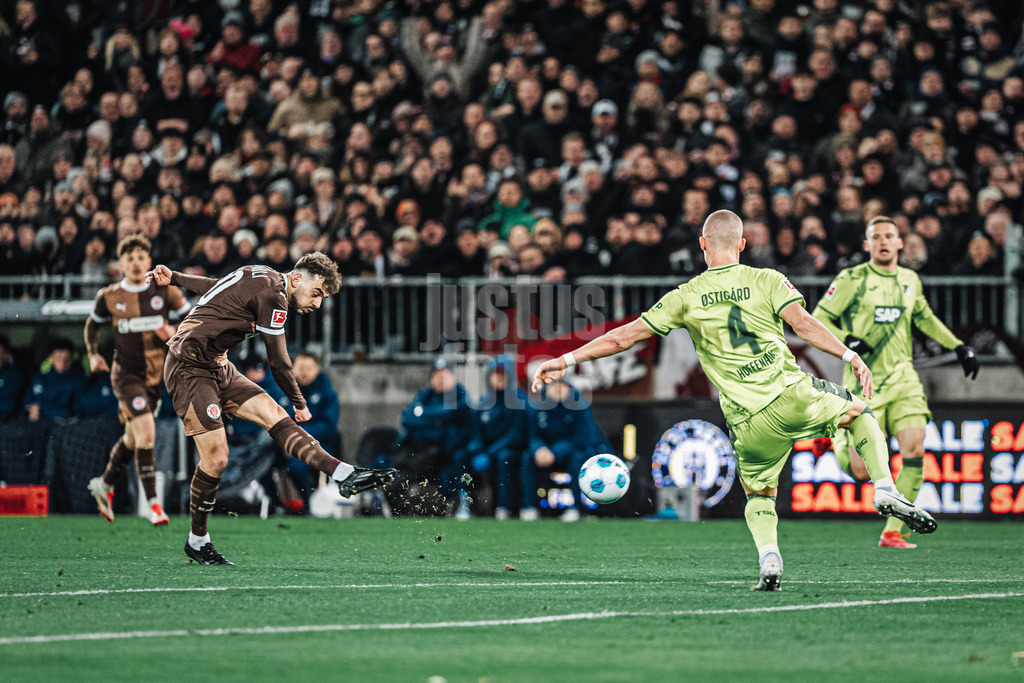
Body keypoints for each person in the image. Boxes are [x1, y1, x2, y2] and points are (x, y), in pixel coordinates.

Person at [533, 210, 937, 591]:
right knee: (859, 412)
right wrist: (849, 356)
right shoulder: (768, 280)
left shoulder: (686, 295)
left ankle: (770, 558)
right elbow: (805, 324)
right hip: (791, 394)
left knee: (759, 495)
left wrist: (565, 359)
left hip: (746, 420)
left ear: (702, 245)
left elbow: (624, 336)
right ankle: (884, 486)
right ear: (742, 244)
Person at [147, 253, 396, 565]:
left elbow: (216, 286)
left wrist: (176, 278)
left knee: (273, 415)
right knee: (217, 457)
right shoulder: (275, 296)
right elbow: (278, 360)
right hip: (189, 367)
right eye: (316, 293)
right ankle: (198, 540)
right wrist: (299, 402)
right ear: (296, 278)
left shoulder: (261, 273)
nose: (317, 304)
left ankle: (342, 472)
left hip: (218, 364)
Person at [811, 216, 979, 549]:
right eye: (877, 237)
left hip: (904, 379)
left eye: (890, 236)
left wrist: (958, 347)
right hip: (864, 381)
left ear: (900, 243)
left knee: (915, 449)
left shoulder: (909, 280)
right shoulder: (852, 279)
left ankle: (892, 531)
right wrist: (848, 341)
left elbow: (925, 318)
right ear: (867, 245)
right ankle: (841, 445)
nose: (884, 242)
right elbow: (818, 317)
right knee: (860, 472)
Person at [85, 235, 190, 526]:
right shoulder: (109, 295)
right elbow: (92, 325)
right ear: (120, 264)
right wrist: (93, 354)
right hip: (126, 375)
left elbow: (194, 318)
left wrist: (175, 332)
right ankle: (154, 504)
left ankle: (104, 484)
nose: (134, 263)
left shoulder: (165, 291)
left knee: (133, 438)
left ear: (149, 260)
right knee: (146, 435)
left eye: (140, 257)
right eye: (128, 258)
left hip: (157, 376)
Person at [520, 379, 614, 523]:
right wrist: (539, 449)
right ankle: (529, 507)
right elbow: (534, 435)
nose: (558, 390)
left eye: (562, 386)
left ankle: (576, 508)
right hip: (548, 454)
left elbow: (583, 438)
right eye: (554, 387)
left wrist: (555, 452)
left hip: (578, 451)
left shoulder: (580, 406)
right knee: (527, 457)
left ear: (569, 388)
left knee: (578, 459)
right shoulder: (539, 408)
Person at [460, 356, 529, 520]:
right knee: (461, 456)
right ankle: (465, 504)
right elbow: (475, 431)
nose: (498, 379)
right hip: (487, 450)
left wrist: (489, 452)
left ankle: (503, 507)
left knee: (504, 458)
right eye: (495, 374)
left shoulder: (519, 400)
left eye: (502, 375)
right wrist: (478, 450)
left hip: (510, 450)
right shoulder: (485, 400)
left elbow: (516, 434)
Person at [24, 339, 85, 422]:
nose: (62, 362)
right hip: (40, 424)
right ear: (51, 358)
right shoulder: (40, 379)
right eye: (58, 358)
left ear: (72, 360)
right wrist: (31, 408)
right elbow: (29, 403)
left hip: (66, 424)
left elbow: (78, 408)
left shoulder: (78, 380)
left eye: (66, 358)